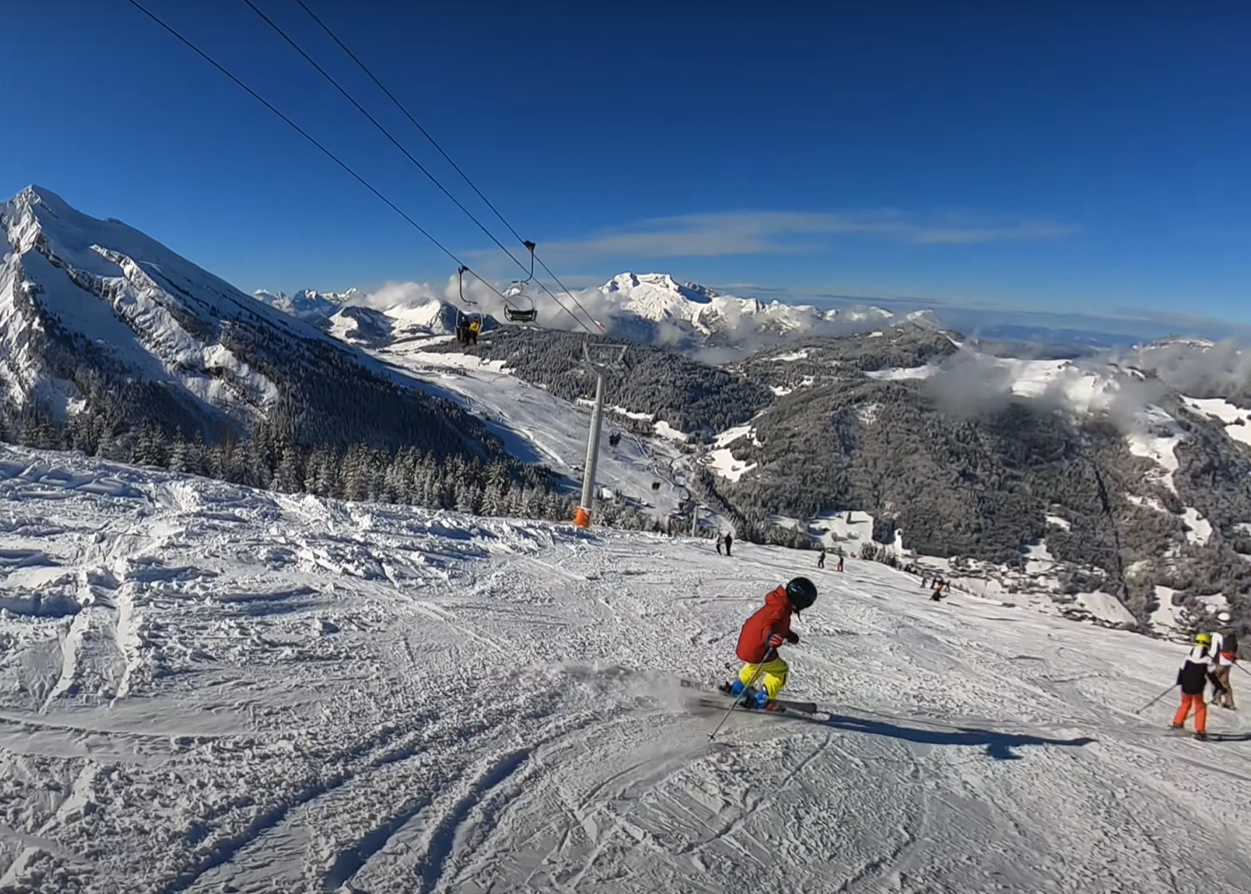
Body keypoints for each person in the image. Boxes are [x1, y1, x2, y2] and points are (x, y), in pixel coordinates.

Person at [719, 577, 818, 710]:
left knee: (754, 667)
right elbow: (769, 625)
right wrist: (769, 637)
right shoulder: (782, 609)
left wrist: (788, 634)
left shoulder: (778, 602)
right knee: (780, 671)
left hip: (749, 644)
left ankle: (738, 689)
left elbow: (776, 624)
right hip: (760, 647)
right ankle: (762, 700)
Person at [1172, 633, 1228, 740]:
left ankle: (1177, 723)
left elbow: (1182, 670)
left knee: (1185, 704)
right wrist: (1220, 687)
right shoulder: (1207, 659)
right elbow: (1212, 676)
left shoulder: (1188, 656)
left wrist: (1179, 681)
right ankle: (1200, 730)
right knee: (1200, 707)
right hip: (1197, 687)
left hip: (1185, 686)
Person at [1213, 611, 1239, 709]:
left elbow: (1214, 649)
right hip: (1228, 661)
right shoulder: (1232, 634)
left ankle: (1216, 700)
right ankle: (1229, 702)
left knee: (1216, 680)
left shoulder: (1217, 634)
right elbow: (1235, 647)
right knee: (1225, 681)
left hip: (1219, 661)